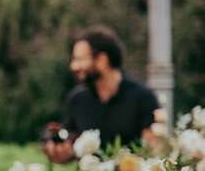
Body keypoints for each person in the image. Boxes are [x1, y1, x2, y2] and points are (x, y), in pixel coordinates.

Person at [44, 26, 160, 163]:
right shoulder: (77, 99)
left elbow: (154, 150)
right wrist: (57, 151)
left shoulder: (142, 97)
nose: (73, 66)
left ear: (102, 60)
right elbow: (69, 151)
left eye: (79, 59)